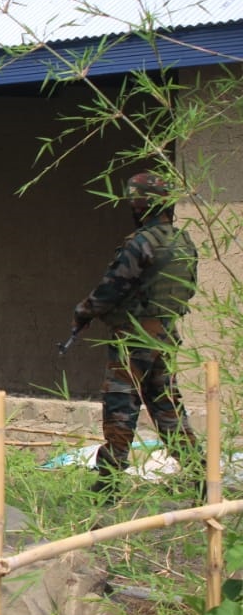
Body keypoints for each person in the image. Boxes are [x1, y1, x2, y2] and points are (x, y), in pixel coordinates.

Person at [71, 171, 200, 499]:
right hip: (164, 335)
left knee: (120, 400)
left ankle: (109, 480)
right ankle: (199, 472)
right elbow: (189, 288)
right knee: (165, 402)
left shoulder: (140, 242)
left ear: (141, 204)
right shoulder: (183, 241)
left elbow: (113, 288)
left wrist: (85, 311)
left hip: (135, 336)